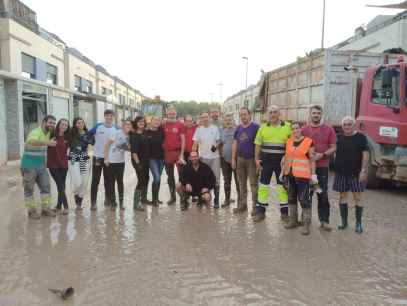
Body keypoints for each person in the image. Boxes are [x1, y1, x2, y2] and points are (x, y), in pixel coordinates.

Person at [254, 106, 291, 223]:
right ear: (267, 115)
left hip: (281, 163)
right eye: (270, 112)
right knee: (263, 186)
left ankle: (284, 213)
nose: (273, 114)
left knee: (282, 188)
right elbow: (258, 145)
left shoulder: (287, 127)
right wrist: (256, 159)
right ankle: (261, 212)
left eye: (275, 112)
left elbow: (293, 144)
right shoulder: (263, 128)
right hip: (266, 161)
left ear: (279, 113)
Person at [302, 105, 337, 231]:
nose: (316, 115)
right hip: (306, 168)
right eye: (314, 113)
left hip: (322, 167)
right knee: (306, 194)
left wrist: (323, 155)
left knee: (322, 193)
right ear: (310, 114)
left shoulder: (329, 129)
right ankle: (306, 220)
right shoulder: (304, 130)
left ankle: (324, 220)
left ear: (321, 114)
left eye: (318, 113)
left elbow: (334, 147)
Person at [334, 116, 369, 234]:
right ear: (342, 126)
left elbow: (365, 154)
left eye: (349, 124)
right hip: (341, 173)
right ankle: (344, 222)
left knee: (357, 197)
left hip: (356, 174)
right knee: (342, 196)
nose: (347, 126)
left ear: (353, 125)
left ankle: (358, 224)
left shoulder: (361, 138)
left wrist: (363, 170)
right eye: (345, 125)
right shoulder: (338, 138)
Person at [282, 122, 318, 235]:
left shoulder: (308, 141)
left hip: (303, 176)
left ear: (300, 129)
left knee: (304, 200)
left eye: (297, 128)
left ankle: (306, 224)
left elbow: (312, 159)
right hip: (289, 174)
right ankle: (293, 221)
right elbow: (287, 157)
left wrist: (313, 175)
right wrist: (283, 172)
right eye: (292, 129)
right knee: (291, 198)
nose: (295, 130)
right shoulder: (288, 142)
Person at [21, 115, 57, 219]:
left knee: (46, 186)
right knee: (29, 188)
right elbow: (31, 141)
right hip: (29, 164)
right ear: (44, 122)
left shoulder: (49, 133)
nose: (52, 125)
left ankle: (45, 209)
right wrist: (48, 143)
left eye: (54, 123)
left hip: (40, 165)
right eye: (50, 122)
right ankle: (31, 211)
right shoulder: (35, 132)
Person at [89, 109, 120, 211]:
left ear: (113, 117)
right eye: (107, 116)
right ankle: (93, 203)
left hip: (109, 158)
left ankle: (108, 200)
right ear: (104, 116)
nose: (109, 118)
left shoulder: (116, 128)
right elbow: (87, 134)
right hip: (97, 157)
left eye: (111, 116)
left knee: (109, 180)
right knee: (95, 180)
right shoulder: (98, 126)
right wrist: (92, 142)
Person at [231, 107, 259, 215]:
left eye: (245, 114)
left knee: (253, 184)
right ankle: (243, 205)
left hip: (252, 160)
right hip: (240, 159)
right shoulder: (238, 128)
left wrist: (258, 159)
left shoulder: (256, 127)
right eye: (241, 115)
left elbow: (259, 144)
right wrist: (233, 159)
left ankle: (255, 207)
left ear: (249, 115)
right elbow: (235, 143)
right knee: (241, 184)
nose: (243, 116)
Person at [192, 112, 221, 208]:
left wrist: (216, 146)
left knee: (216, 179)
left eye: (206, 117)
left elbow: (218, 141)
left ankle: (216, 200)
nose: (204, 119)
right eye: (202, 117)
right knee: (203, 179)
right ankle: (203, 199)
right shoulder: (199, 130)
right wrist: (193, 154)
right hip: (203, 158)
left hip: (215, 158)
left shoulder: (215, 128)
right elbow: (195, 143)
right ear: (201, 119)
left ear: (209, 118)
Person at [104, 120, 132, 211]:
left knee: (120, 182)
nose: (128, 126)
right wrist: (106, 158)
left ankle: (121, 203)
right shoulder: (116, 133)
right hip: (111, 161)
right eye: (126, 125)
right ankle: (113, 202)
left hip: (121, 162)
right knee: (111, 182)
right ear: (122, 126)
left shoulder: (129, 136)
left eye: (129, 125)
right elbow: (107, 145)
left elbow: (129, 149)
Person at [68, 117, 94, 211]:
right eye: (78, 123)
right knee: (78, 182)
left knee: (84, 182)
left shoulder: (88, 134)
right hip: (73, 159)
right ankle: (75, 193)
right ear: (75, 124)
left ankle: (79, 203)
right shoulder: (71, 134)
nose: (80, 124)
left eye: (82, 122)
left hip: (84, 158)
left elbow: (92, 143)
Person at [162, 106, 186, 205]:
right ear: (167, 114)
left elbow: (183, 140)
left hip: (178, 153)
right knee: (170, 176)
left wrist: (182, 155)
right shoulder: (163, 124)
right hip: (167, 154)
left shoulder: (180, 125)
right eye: (169, 113)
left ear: (176, 114)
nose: (171, 115)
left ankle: (182, 196)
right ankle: (172, 197)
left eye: (173, 113)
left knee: (181, 175)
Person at [47, 118, 70, 215]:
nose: (64, 126)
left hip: (64, 165)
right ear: (58, 125)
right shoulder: (51, 135)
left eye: (66, 125)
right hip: (53, 164)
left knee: (61, 186)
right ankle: (66, 207)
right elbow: (44, 143)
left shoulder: (68, 138)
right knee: (60, 185)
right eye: (62, 124)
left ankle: (58, 206)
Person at [219, 114, 240, 208]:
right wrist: (220, 154)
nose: (228, 122)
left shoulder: (238, 130)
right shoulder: (222, 131)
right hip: (225, 161)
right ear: (224, 122)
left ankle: (241, 201)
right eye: (226, 120)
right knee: (226, 181)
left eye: (230, 120)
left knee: (238, 181)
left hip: (236, 160)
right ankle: (227, 199)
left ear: (233, 120)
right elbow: (219, 143)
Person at [130, 116, 149, 211]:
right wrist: (138, 164)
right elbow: (134, 152)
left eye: (143, 121)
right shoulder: (134, 135)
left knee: (146, 179)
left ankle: (143, 199)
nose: (142, 123)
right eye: (139, 121)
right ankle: (136, 204)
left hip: (146, 161)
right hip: (138, 161)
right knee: (141, 180)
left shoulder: (145, 132)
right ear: (136, 123)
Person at [146, 116, 165, 206]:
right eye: (155, 120)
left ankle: (156, 198)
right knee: (157, 177)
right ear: (151, 121)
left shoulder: (161, 131)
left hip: (161, 158)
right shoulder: (146, 132)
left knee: (158, 179)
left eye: (158, 120)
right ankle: (154, 200)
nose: (157, 122)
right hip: (151, 159)